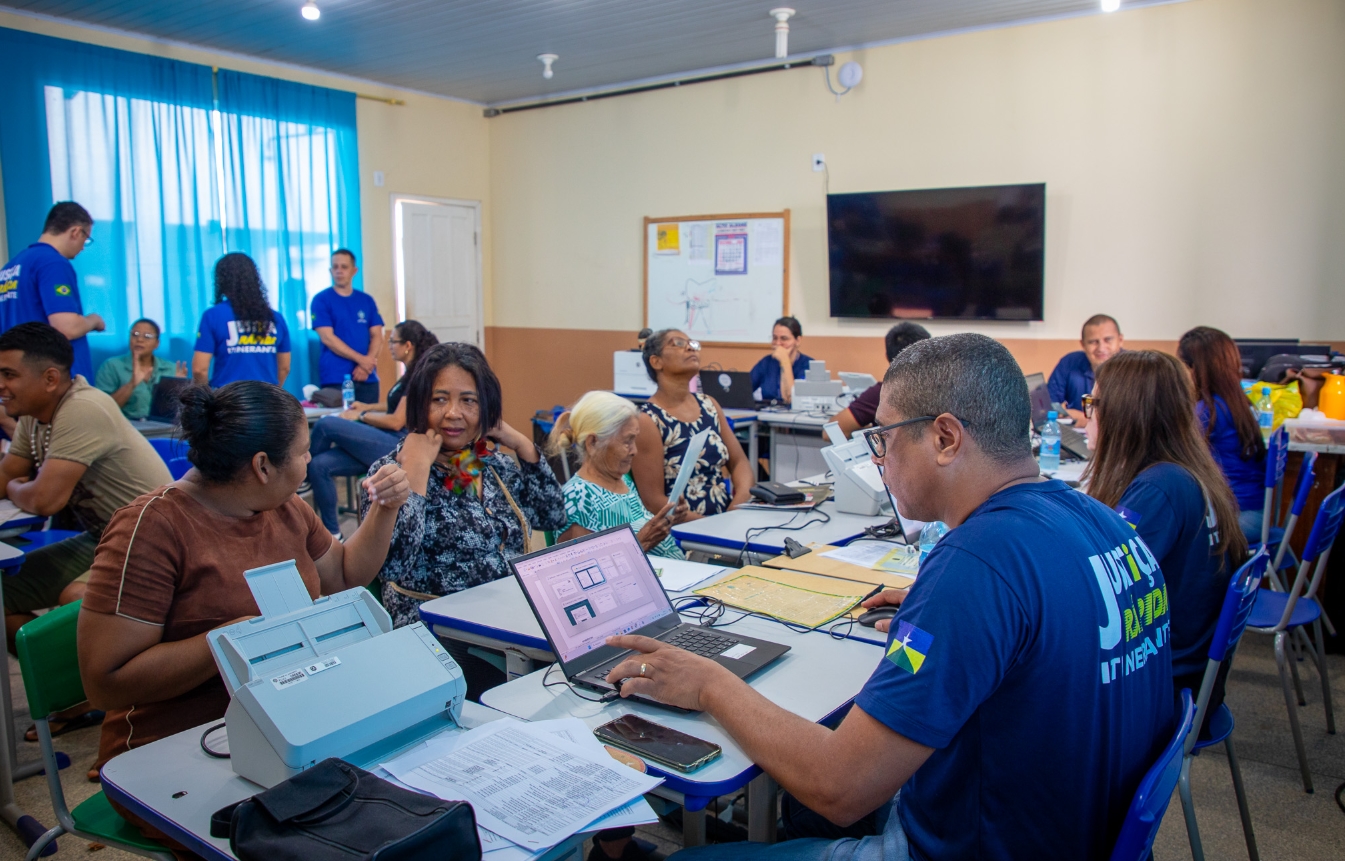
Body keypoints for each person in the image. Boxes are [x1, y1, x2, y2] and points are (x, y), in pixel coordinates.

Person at [607, 334, 1174, 861]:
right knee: (801, 799)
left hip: (970, 843)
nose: (877, 458)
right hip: (1076, 825)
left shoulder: (977, 563)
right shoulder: (1102, 521)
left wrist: (709, 682)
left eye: (883, 437)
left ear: (946, 438)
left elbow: (840, 786)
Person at [77, 381, 410, 838]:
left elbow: (344, 574)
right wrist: (235, 638)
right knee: (332, 826)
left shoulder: (283, 507)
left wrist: (385, 509)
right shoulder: (152, 527)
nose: (310, 462)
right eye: (303, 452)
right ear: (262, 465)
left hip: (284, 726)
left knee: (394, 786)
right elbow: (105, 683)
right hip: (176, 749)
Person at [366, 343, 566, 697]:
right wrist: (416, 468)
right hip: (441, 638)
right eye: (439, 399)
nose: (453, 414)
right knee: (541, 693)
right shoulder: (391, 472)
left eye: (469, 401)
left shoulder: (483, 464)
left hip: (508, 621)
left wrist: (521, 444)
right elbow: (392, 566)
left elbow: (550, 515)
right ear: (419, 404)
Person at [1085, 350, 1248, 725]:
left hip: (1163, 688)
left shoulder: (1159, 490)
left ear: (1124, 413)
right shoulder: (1182, 473)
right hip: (1184, 673)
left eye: (1093, 403)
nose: (1088, 414)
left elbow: (1095, 593)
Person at [0, 322, 171, 650]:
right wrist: (18, 484)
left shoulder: (83, 408)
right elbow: (10, 473)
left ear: (50, 379)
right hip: (105, 538)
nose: (2, 385)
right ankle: (63, 686)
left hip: (153, 542)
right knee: (1, 596)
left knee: (76, 598)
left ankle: (93, 689)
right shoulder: (32, 414)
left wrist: (15, 489)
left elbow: (44, 500)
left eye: (9, 375)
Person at [308, 320, 438, 538]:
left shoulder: (419, 374)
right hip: (387, 438)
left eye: (393, 341)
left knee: (326, 424)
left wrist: (360, 415)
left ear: (408, 345)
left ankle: (300, 477)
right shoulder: (409, 372)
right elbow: (394, 406)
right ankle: (333, 534)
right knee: (320, 465)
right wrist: (367, 406)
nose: (388, 346)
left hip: (399, 443)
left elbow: (397, 421)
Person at [549, 391, 689, 558]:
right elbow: (584, 571)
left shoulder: (623, 480)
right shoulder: (578, 497)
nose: (634, 451)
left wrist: (669, 520)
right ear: (593, 443)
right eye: (627, 441)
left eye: (634, 440)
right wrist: (641, 542)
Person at [632, 329, 753, 519]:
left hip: (726, 519)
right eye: (678, 343)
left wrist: (738, 506)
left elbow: (739, 463)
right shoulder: (647, 420)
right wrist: (708, 527)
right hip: (680, 530)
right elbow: (653, 501)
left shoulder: (709, 405)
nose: (690, 348)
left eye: (693, 344)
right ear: (656, 361)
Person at [1178, 326, 1267, 539]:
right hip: (1258, 512)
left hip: (1237, 517)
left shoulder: (1207, 412)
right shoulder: (1239, 403)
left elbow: (1174, 457)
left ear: (1193, 369)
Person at [0, 201, 104, 382]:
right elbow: (67, 327)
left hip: (19, 377)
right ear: (75, 232)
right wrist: (93, 321)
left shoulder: (10, 268)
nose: (82, 248)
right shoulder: (52, 263)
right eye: (85, 240)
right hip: (52, 381)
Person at [192, 252, 291, 387]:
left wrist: (206, 400)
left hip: (228, 398)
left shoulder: (213, 316)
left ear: (221, 281)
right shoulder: (276, 318)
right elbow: (284, 368)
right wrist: (271, 395)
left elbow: (200, 370)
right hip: (266, 398)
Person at [833, 322, 931, 438]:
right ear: (929, 354)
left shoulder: (883, 392)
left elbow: (832, 432)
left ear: (887, 356)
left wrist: (865, 432)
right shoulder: (945, 388)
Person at [312, 249, 384, 404]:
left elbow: (377, 335)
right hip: (336, 378)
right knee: (339, 425)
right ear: (330, 270)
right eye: (335, 267)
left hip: (367, 378)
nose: (339, 271)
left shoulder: (366, 300)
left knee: (369, 424)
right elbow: (327, 338)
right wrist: (361, 360)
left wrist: (366, 366)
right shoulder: (321, 300)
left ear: (354, 270)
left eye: (344, 267)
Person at [94, 318, 187, 419]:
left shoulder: (171, 369)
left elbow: (182, 412)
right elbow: (102, 409)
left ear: (157, 343)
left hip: (162, 428)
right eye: (135, 334)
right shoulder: (111, 366)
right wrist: (131, 384)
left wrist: (180, 391)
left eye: (147, 336)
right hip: (126, 427)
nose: (140, 340)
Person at [1048, 313, 1124, 423]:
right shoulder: (1069, 363)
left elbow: (1137, 420)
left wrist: (1084, 420)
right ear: (1083, 344)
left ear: (1120, 340)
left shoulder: (1136, 369)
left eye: (1108, 340)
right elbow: (1049, 405)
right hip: (1077, 437)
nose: (1101, 348)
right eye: (1093, 342)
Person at [750, 316, 812, 403]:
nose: (778, 343)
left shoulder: (808, 365)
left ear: (798, 341)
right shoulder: (766, 362)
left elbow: (792, 400)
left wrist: (785, 361)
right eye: (775, 338)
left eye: (784, 338)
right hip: (768, 413)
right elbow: (745, 390)